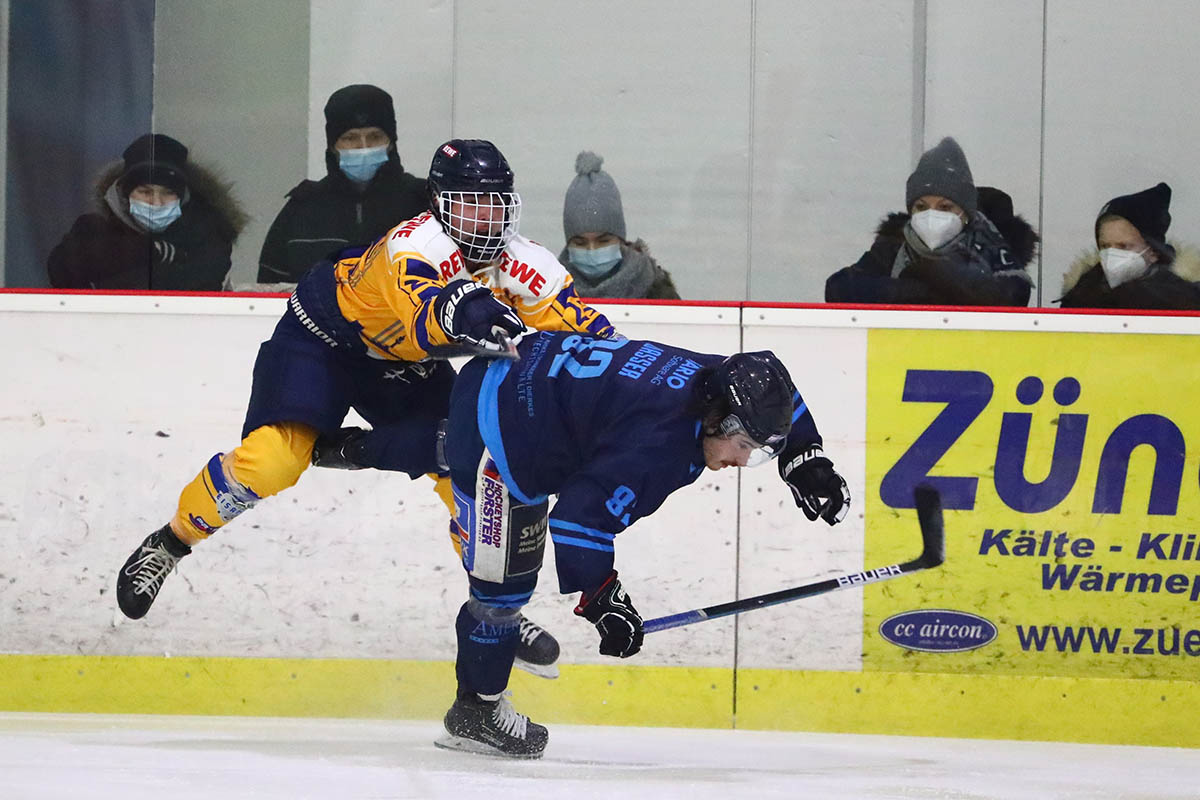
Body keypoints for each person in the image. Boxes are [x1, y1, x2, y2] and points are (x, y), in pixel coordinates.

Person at [115, 139, 617, 676]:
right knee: (272, 462)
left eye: (495, 201)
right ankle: (170, 542)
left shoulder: (526, 263)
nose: (486, 216)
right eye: (471, 201)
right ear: (442, 203)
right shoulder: (412, 245)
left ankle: (494, 607)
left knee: (474, 470)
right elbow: (433, 315)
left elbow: (594, 342)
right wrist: (479, 314)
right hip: (324, 339)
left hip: (400, 361)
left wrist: (647, 389)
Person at [434, 330, 851, 758]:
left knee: (506, 574)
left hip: (518, 369)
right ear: (716, 420)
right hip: (493, 431)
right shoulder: (658, 445)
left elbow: (773, 383)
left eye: (757, 450)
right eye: (743, 445)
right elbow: (578, 520)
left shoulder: (718, 380)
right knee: (503, 587)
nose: (743, 461)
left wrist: (804, 455)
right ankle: (475, 714)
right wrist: (602, 601)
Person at [825, 137, 1037, 306]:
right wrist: (917, 291)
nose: (931, 215)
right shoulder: (895, 246)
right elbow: (839, 288)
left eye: (945, 207)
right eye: (921, 207)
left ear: (965, 213)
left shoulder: (990, 244)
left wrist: (937, 276)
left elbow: (1011, 295)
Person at [256, 84, 428, 285]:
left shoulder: (422, 204)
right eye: (350, 138)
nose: (363, 147)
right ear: (332, 145)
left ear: (391, 142)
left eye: (375, 137)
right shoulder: (301, 210)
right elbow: (267, 293)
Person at [47, 133, 246, 290]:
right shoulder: (91, 231)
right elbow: (61, 271)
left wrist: (115, 266)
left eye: (168, 193)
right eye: (145, 192)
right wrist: (145, 252)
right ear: (125, 195)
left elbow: (193, 287)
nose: (156, 203)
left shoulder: (209, 235)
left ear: (183, 197)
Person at [1058, 182, 1200, 309]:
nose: (1112, 254)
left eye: (1123, 246)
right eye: (1105, 246)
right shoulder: (1079, 297)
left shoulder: (1185, 300)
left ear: (1153, 251)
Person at [557, 152, 679, 299]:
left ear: (620, 239)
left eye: (603, 241)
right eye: (580, 243)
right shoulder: (548, 288)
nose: (592, 250)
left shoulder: (655, 288)